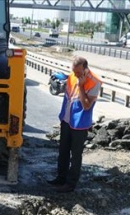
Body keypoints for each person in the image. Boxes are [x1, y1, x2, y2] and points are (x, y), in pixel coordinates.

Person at [47, 55, 101, 193]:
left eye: (78, 72)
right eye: (74, 71)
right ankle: (61, 178)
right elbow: (68, 96)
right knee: (63, 151)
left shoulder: (94, 82)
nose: (75, 75)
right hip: (67, 120)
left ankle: (70, 184)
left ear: (85, 69)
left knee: (76, 155)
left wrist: (81, 86)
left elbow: (87, 106)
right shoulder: (72, 76)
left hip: (80, 123)